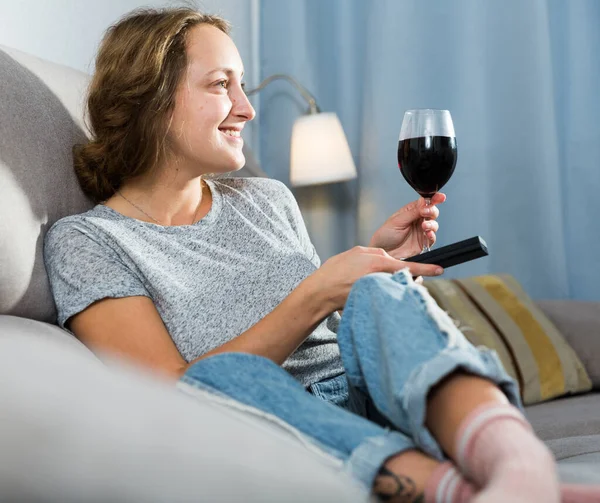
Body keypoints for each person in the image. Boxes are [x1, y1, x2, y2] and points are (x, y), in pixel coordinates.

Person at [43, 8, 598, 503]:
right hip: (273, 422)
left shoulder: (266, 199)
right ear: (150, 102)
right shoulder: (89, 241)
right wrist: (317, 291)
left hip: (375, 394)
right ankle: (451, 489)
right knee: (225, 377)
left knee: (381, 290)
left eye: (244, 86)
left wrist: (370, 264)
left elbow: (333, 328)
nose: (246, 109)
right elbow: (169, 393)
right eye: (220, 85)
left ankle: (517, 465)